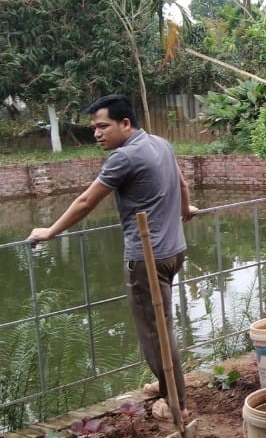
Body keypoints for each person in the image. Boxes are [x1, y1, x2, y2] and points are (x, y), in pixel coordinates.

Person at [28, 94, 198, 406]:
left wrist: (51, 231)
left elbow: (86, 201)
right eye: (94, 128)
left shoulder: (124, 158)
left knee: (154, 332)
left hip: (146, 258)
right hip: (175, 250)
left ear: (125, 123)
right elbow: (182, 184)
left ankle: (176, 401)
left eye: (103, 126)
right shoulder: (161, 143)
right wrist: (185, 209)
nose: (97, 133)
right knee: (162, 326)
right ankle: (168, 387)